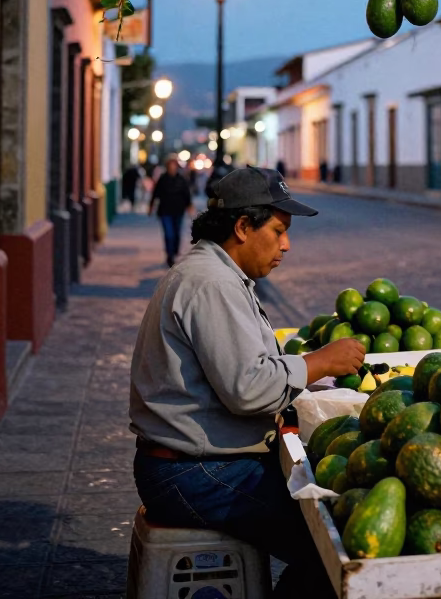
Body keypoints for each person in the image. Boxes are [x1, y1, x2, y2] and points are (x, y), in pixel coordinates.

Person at [129, 167, 362, 597]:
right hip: (192, 471)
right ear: (242, 226)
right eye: (278, 231)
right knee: (340, 539)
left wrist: (301, 383)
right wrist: (318, 362)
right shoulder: (210, 283)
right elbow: (248, 389)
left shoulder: (221, 276)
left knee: (326, 514)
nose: (286, 245)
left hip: (203, 461)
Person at [149, 156, 194, 266]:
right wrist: (151, 206)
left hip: (178, 210)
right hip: (165, 211)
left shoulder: (181, 179)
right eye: (170, 165)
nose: (172, 168)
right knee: (169, 234)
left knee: (177, 233)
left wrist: (189, 206)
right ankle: (170, 255)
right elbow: (155, 193)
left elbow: (186, 193)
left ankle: (174, 251)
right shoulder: (163, 179)